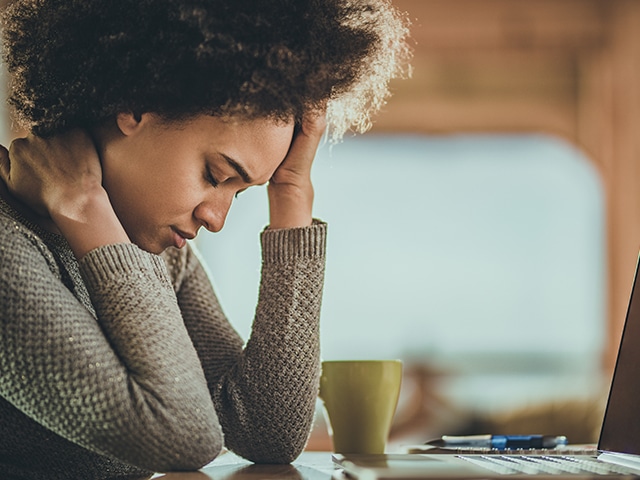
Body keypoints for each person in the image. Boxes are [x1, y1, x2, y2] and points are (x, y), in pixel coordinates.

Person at [0, 0, 410, 478]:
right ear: (133, 104)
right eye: (215, 175)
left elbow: (268, 432)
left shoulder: (156, 253)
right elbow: (184, 436)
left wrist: (293, 193)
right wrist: (84, 207)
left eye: (244, 192)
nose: (216, 219)